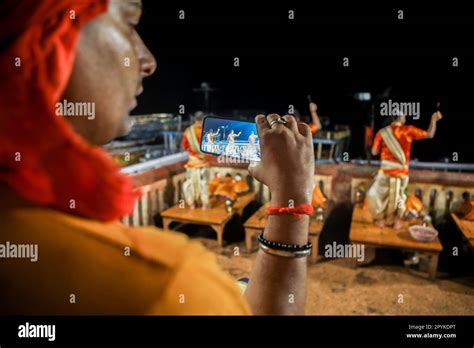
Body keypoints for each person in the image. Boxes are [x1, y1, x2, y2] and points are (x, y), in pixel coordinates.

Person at [0, 0, 314, 315]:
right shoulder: (165, 284)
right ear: (47, 38)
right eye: (130, 24)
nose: (149, 61)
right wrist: (292, 198)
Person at [367, 111, 443, 228]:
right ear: (398, 117)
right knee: (400, 197)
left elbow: (374, 152)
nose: (405, 117)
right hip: (402, 173)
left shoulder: (382, 133)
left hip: (385, 173)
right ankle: (397, 220)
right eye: (404, 115)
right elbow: (430, 134)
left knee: (378, 196)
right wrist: (433, 120)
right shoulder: (408, 130)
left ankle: (381, 220)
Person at [181, 111, 211, 208]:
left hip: (192, 162)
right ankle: (204, 204)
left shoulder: (188, 131)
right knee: (203, 183)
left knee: (190, 183)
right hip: (202, 162)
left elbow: (183, 147)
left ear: (194, 119)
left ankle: (192, 204)